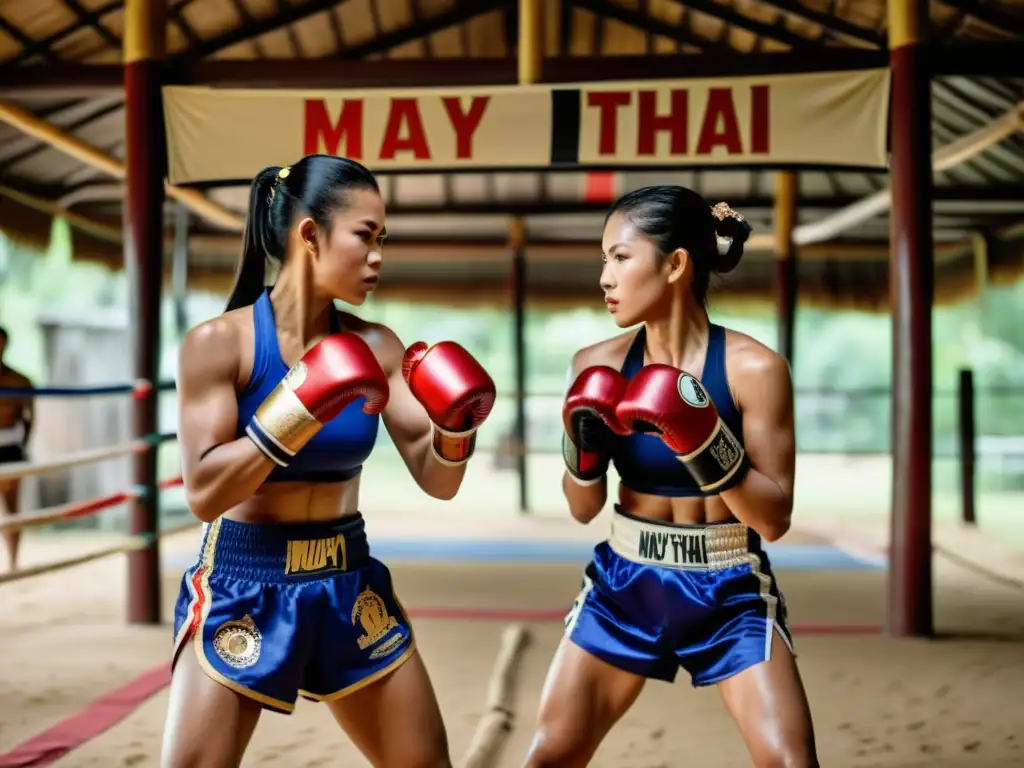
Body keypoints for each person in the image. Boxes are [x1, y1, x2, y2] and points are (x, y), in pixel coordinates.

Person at [161, 155, 496, 768]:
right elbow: (205, 493)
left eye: (383, 239)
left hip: (348, 578)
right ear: (310, 235)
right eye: (365, 236)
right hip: (245, 580)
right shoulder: (220, 344)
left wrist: (454, 428)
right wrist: (298, 406)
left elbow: (438, 479)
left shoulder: (378, 346)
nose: (378, 256)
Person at [522, 186, 818, 768]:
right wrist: (581, 447)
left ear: (676, 263)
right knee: (550, 756)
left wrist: (703, 439)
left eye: (620, 257)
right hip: (623, 584)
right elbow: (583, 508)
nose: (605, 277)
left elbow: (773, 518)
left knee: (789, 761)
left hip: (728, 584)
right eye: (603, 259)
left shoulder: (753, 369)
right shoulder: (596, 364)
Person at [0, 326, 34, 571]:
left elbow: (29, 416)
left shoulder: (20, 381)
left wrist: (23, 443)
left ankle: (13, 562)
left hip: (10, 446)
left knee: (12, 508)